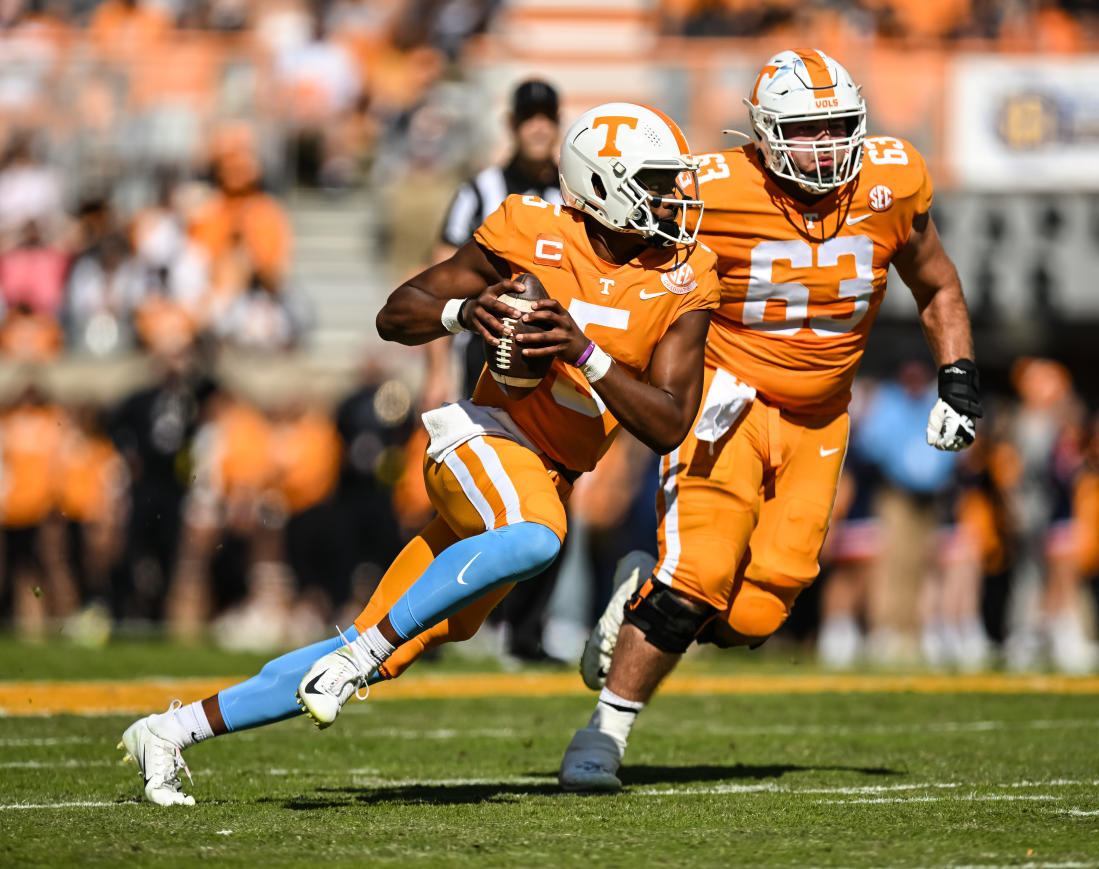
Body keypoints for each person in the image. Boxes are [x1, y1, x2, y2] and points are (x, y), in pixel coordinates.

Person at [117, 101, 720, 807]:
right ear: (602, 184)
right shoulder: (531, 231)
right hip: (482, 437)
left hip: (547, 472)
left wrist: (582, 350)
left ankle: (169, 730)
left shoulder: (685, 273)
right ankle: (357, 657)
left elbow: (670, 422)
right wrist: (462, 313)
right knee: (535, 536)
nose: (670, 198)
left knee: (387, 637)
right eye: (652, 181)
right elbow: (396, 312)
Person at [558, 49, 981, 791]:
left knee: (755, 612)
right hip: (726, 401)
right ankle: (604, 731)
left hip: (821, 417)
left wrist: (958, 379)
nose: (823, 148)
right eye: (803, 131)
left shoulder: (890, 178)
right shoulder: (708, 187)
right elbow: (609, 238)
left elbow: (937, 283)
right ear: (759, 134)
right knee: (699, 574)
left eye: (836, 128)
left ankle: (642, 597)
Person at [425, 79, 566, 661]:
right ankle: (426, 625)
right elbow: (436, 274)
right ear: (512, 124)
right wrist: (436, 367)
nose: (538, 126)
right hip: (482, 361)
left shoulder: (574, 188)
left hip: (551, 366)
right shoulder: (480, 189)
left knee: (554, 492)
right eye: (528, 116)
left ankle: (526, 634)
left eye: (547, 116)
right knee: (461, 490)